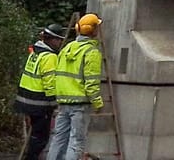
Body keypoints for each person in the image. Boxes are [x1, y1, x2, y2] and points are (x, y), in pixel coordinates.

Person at [47, 13, 105, 160]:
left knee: (58, 139)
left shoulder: (67, 48)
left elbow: (58, 75)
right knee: (76, 141)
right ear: (94, 30)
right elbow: (91, 83)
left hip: (63, 102)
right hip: (80, 105)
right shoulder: (91, 52)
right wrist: (97, 103)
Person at [13, 24, 65, 160]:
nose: (60, 43)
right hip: (40, 103)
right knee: (41, 138)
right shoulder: (50, 56)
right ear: (52, 39)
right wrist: (55, 104)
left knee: (36, 135)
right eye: (59, 40)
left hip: (26, 99)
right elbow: (50, 82)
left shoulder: (36, 52)